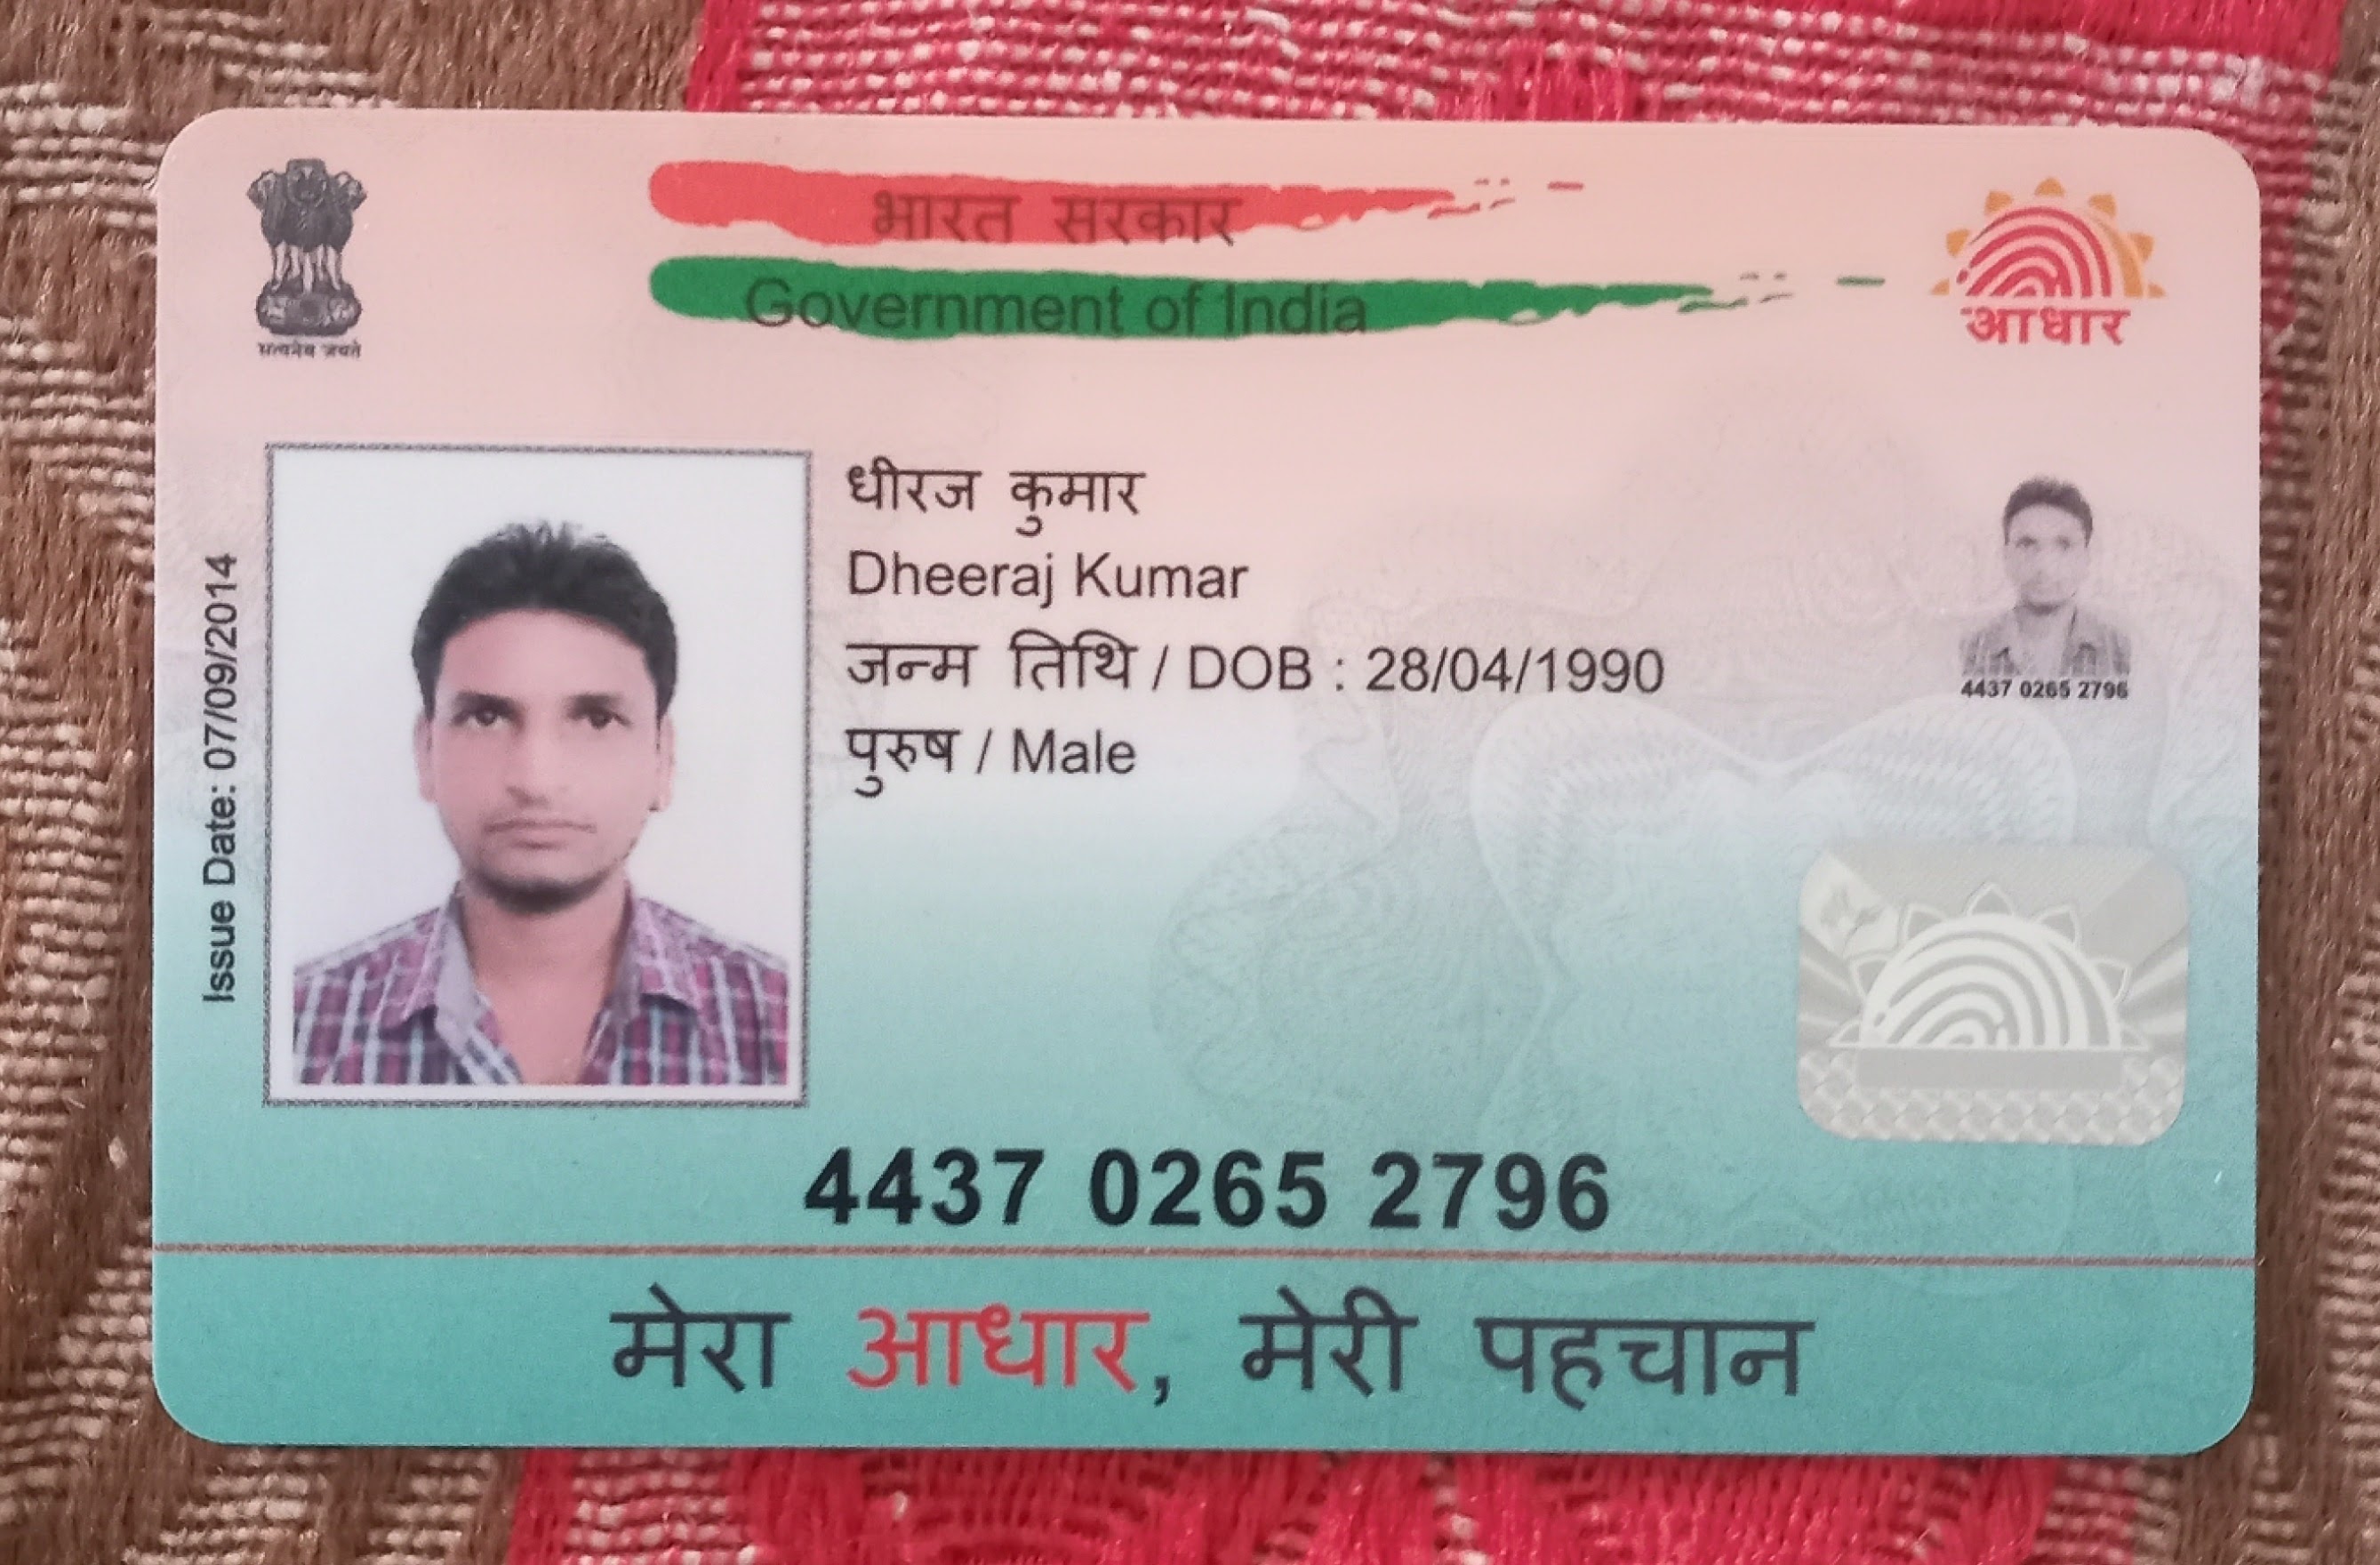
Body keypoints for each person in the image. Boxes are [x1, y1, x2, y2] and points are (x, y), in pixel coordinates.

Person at [293, 522, 789, 1088]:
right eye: (487, 718)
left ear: (662, 759)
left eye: (597, 720)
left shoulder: (785, 1026)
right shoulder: (294, 1032)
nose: (537, 780)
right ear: (426, 753)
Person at [1960, 478, 2132, 681]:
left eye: (2064, 545)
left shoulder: (2121, 652)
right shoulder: (1971, 652)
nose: (2045, 565)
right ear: (2006, 555)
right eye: (2027, 544)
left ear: (2087, 556)